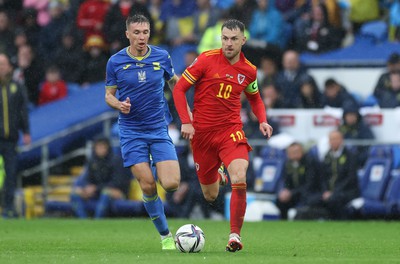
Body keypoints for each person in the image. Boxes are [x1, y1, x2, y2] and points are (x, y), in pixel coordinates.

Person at [172, 19, 273, 252]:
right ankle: (218, 173)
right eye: (225, 38)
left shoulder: (249, 70)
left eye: (234, 39)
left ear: (243, 40)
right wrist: (186, 122)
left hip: (231, 131)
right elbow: (179, 89)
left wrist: (263, 120)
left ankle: (235, 236)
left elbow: (255, 97)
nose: (228, 43)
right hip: (202, 136)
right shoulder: (206, 59)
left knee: (239, 176)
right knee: (210, 194)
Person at [105, 14, 180, 251]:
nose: (141, 37)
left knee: (171, 184)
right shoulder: (115, 61)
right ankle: (165, 235)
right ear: (127, 34)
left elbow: (174, 83)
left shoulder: (161, 56)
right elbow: (108, 94)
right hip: (131, 131)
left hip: (158, 128)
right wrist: (119, 104)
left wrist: (190, 101)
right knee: (148, 185)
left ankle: (159, 165)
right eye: (136, 32)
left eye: (145, 32)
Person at [0, 53, 31, 218]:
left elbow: (22, 111)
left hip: (11, 139)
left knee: (11, 174)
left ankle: (8, 207)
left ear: (9, 67)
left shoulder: (16, 86)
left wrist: (26, 131)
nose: (1, 67)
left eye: (3, 64)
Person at [70, 136, 132, 218]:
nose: (100, 149)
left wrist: (97, 188)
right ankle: (83, 220)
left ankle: (98, 220)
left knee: (106, 193)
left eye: (102, 147)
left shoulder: (116, 161)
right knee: (75, 193)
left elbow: (118, 182)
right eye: (98, 147)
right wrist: (85, 188)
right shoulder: (92, 161)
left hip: (115, 192)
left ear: (108, 148)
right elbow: (87, 179)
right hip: (97, 191)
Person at [276, 142, 320, 220]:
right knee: (280, 201)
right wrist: (284, 191)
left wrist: (292, 193)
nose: (294, 154)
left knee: (307, 201)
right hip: (294, 194)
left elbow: (310, 184)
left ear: (302, 152)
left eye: (297, 152)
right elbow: (285, 180)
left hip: (309, 193)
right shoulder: (287, 164)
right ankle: (283, 223)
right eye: (292, 152)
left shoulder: (310, 162)